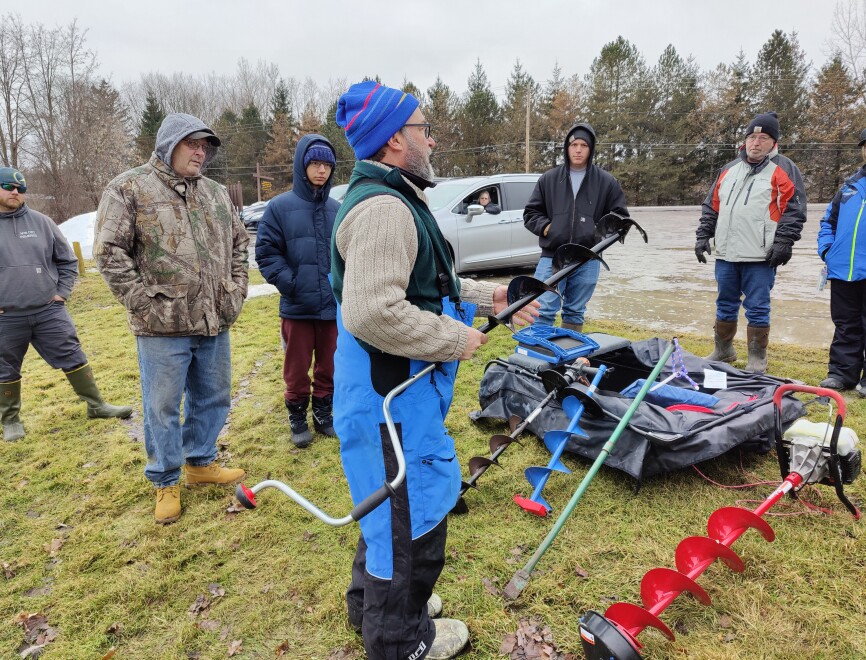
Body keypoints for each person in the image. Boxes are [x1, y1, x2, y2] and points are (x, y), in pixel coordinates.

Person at [332, 81, 539, 660]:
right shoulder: (383, 209)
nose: (431, 138)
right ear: (395, 139)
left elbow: (424, 286)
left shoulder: (397, 195)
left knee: (385, 511)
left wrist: (487, 299)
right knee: (412, 526)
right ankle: (400, 641)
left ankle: (369, 609)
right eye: (423, 128)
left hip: (391, 393)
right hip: (389, 400)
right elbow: (374, 310)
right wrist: (457, 338)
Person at [94, 113, 249, 524]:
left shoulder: (215, 193)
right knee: (163, 406)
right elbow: (109, 253)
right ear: (168, 144)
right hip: (161, 326)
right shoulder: (129, 188)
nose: (200, 151)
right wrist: (144, 304)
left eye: (205, 146)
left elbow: (239, 245)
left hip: (214, 319)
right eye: (192, 143)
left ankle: (200, 462)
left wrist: (235, 290)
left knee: (213, 395)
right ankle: (165, 479)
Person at [0, 167, 132, 442]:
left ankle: (97, 405)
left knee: (73, 354)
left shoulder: (42, 223)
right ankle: (10, 419)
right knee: (5, 367)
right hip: (6, 317)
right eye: (8, 186)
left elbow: (67, 261)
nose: (15, 191)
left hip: (48, 310)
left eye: (21, 188)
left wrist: (61, 293)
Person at [695, 111, 807, 373]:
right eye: (752, 137)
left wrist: (784, 242)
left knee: (757, 306)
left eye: (764, 137)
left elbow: (795, 210)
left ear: (774, 142)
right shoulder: (728, 170)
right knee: (725, 302)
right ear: (745, 140)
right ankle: (724, 350)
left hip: (760, 255)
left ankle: (757, 357)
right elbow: (712, 206)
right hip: (725, 253)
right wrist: (703, 236)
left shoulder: (785, 169)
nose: (756, 143)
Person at [255, 135, 340, 447]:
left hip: (331, 307)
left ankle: (323, 412)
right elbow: (266, 253)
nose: (321, 170)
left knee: (329, 364)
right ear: (302, 166)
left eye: (327, 165)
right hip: (298, 307)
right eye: (315, 163)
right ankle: (296, 415)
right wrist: (291, 283)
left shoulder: (337, 209)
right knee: (296, 369)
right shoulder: (279, 208)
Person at [523, 123, 628, 332]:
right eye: (574, 144)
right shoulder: (549, 179)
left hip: (588, 258)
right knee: (542, 308)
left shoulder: (606, 182)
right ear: (567, 147)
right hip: (552, 256)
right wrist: (548, 229)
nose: (578, 149)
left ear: (591, 149)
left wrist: (597, 236)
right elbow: (531, 214)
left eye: (583, 145)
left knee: (575, 311)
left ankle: (568, 356)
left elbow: (621, 220)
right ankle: (538, 355)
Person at [816, 123, 866, 397]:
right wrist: (827, 250)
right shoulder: (849, 187)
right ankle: (842, 373)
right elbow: (827, 222)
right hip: (843, 271)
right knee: (845, 325)